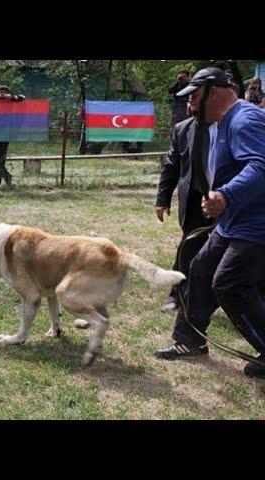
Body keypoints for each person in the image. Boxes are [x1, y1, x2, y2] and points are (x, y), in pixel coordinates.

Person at [155, 67, 265, 379]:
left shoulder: (244, 120)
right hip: (233, 223)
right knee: (200, 270)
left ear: (212, 92)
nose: (189, 106)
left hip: (255, 226)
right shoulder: (224, 122)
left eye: (193, 98)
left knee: (229, 285)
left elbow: (260, 166)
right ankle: (189, 341)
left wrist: (226, 195)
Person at [155, 100, 215, 311]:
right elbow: (171, 166)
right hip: (193, 200)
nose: (191, 107)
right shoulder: (182, 129)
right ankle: (177, 296)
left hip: (225, 199)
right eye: (190, 102)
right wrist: (162, 199)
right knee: (188, 247)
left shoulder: (227, 127)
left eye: (197, 101)